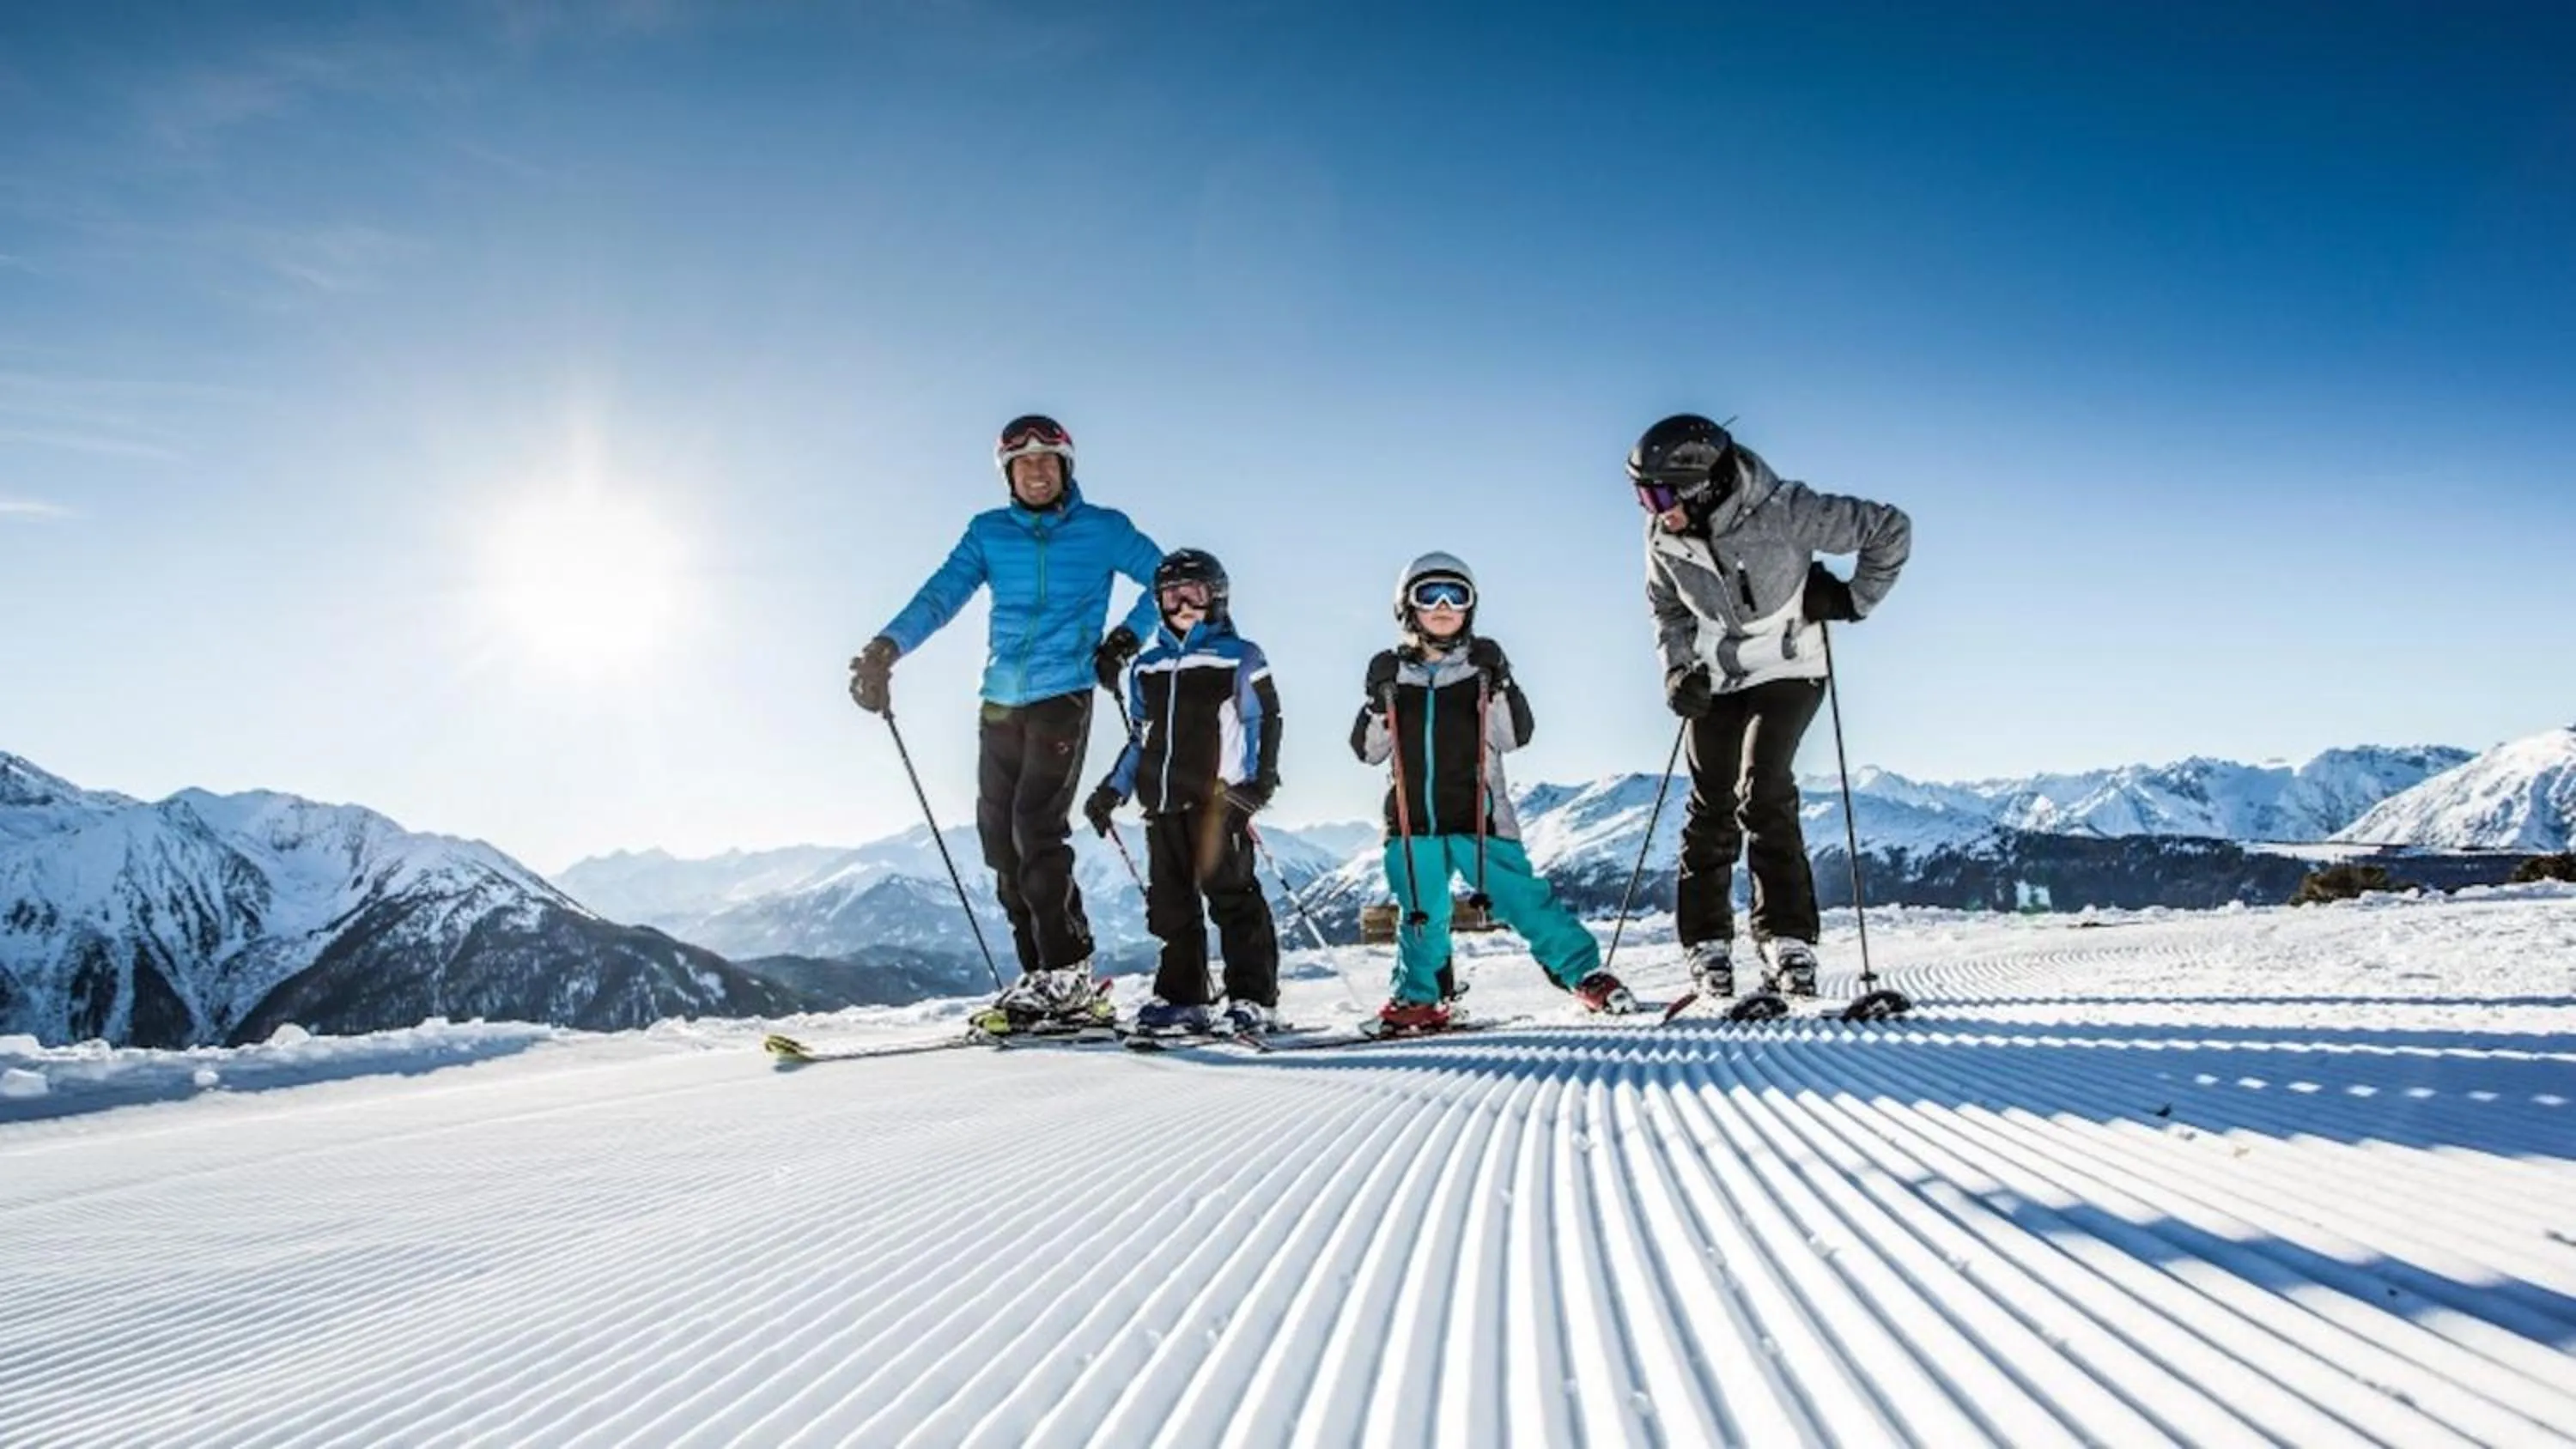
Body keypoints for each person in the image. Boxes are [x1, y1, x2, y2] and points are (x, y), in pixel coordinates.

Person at [848, 413, 1164, 1031]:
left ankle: (1068, 972)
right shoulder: (988, 534)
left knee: (1036, 828)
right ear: (1008, 474)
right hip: (1000, 700)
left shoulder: (1103, 529)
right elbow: (941, 595)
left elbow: (1169, 579)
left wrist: (1127, 637)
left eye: (1049, 460)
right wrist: (887, 648)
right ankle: (1042, 976)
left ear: (1066, 468)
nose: (1037, 470)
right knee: (999, 838)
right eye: (1024, 463)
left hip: (1065, 691)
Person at [1631, 414, 1911, 999]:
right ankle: (1706, 944)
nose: (1651, 507)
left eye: (1658, 492)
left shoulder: (1787, 510)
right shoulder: (1664, 536)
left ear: (1701, 484)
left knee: (1764, 791)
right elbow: (1668, 611)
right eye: (1641, 493)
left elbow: (1890, 529)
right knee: (1710, 804)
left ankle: (1787, 939)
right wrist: (1677, 671)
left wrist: (1854, 600)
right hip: (1716, 676)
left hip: (1790, 667)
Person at [1351, 552, 1636, 1032]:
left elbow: (1512, 737)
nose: (1443, 606)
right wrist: (1375, 701)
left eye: (1456, 596)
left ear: (1471, 608)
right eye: (1429, 595)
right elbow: (1369, 751)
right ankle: (1420, 997)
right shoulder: (1394, 676)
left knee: (1522, 898)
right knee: (1422, 914)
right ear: (1407, 608)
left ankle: (1584, 973)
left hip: (1480, 816)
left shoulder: (1480, 671)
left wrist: (1502, 682)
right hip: (1411, 819)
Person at [1081, 549, 1285, 1036]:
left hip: (1220, 804)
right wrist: (1113, 789)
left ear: (1216, 596)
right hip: (1163, 806)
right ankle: (1182, 998)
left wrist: (1258, 785)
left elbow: (1266, 723)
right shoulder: (1146, 668)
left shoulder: (1240, 656)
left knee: (1233, 900)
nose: (1181, 605)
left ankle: (1253, 998)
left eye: (1192, 593)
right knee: (1171, 908)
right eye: (1170, 596)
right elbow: (1141, 737)